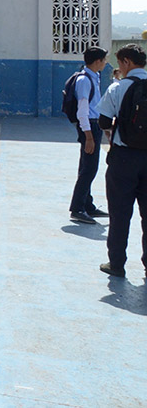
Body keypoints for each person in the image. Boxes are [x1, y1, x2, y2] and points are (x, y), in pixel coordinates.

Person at [95, 43, 147, 278]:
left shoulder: (118, 88)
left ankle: (116, 263)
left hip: (124, 159)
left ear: (127, 62)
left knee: (120, 213)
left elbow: (104, 121)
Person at [68, 47, 109, 225]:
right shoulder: (84, 80)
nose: (106, 62)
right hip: (89, 127)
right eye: (104, 59)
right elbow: (82, 111)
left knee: (86, 166)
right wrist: (89, 136)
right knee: (89, 169)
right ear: (97, 61)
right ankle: (77, 209)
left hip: (94, 124)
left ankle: (88, 204)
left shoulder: (94, 77)